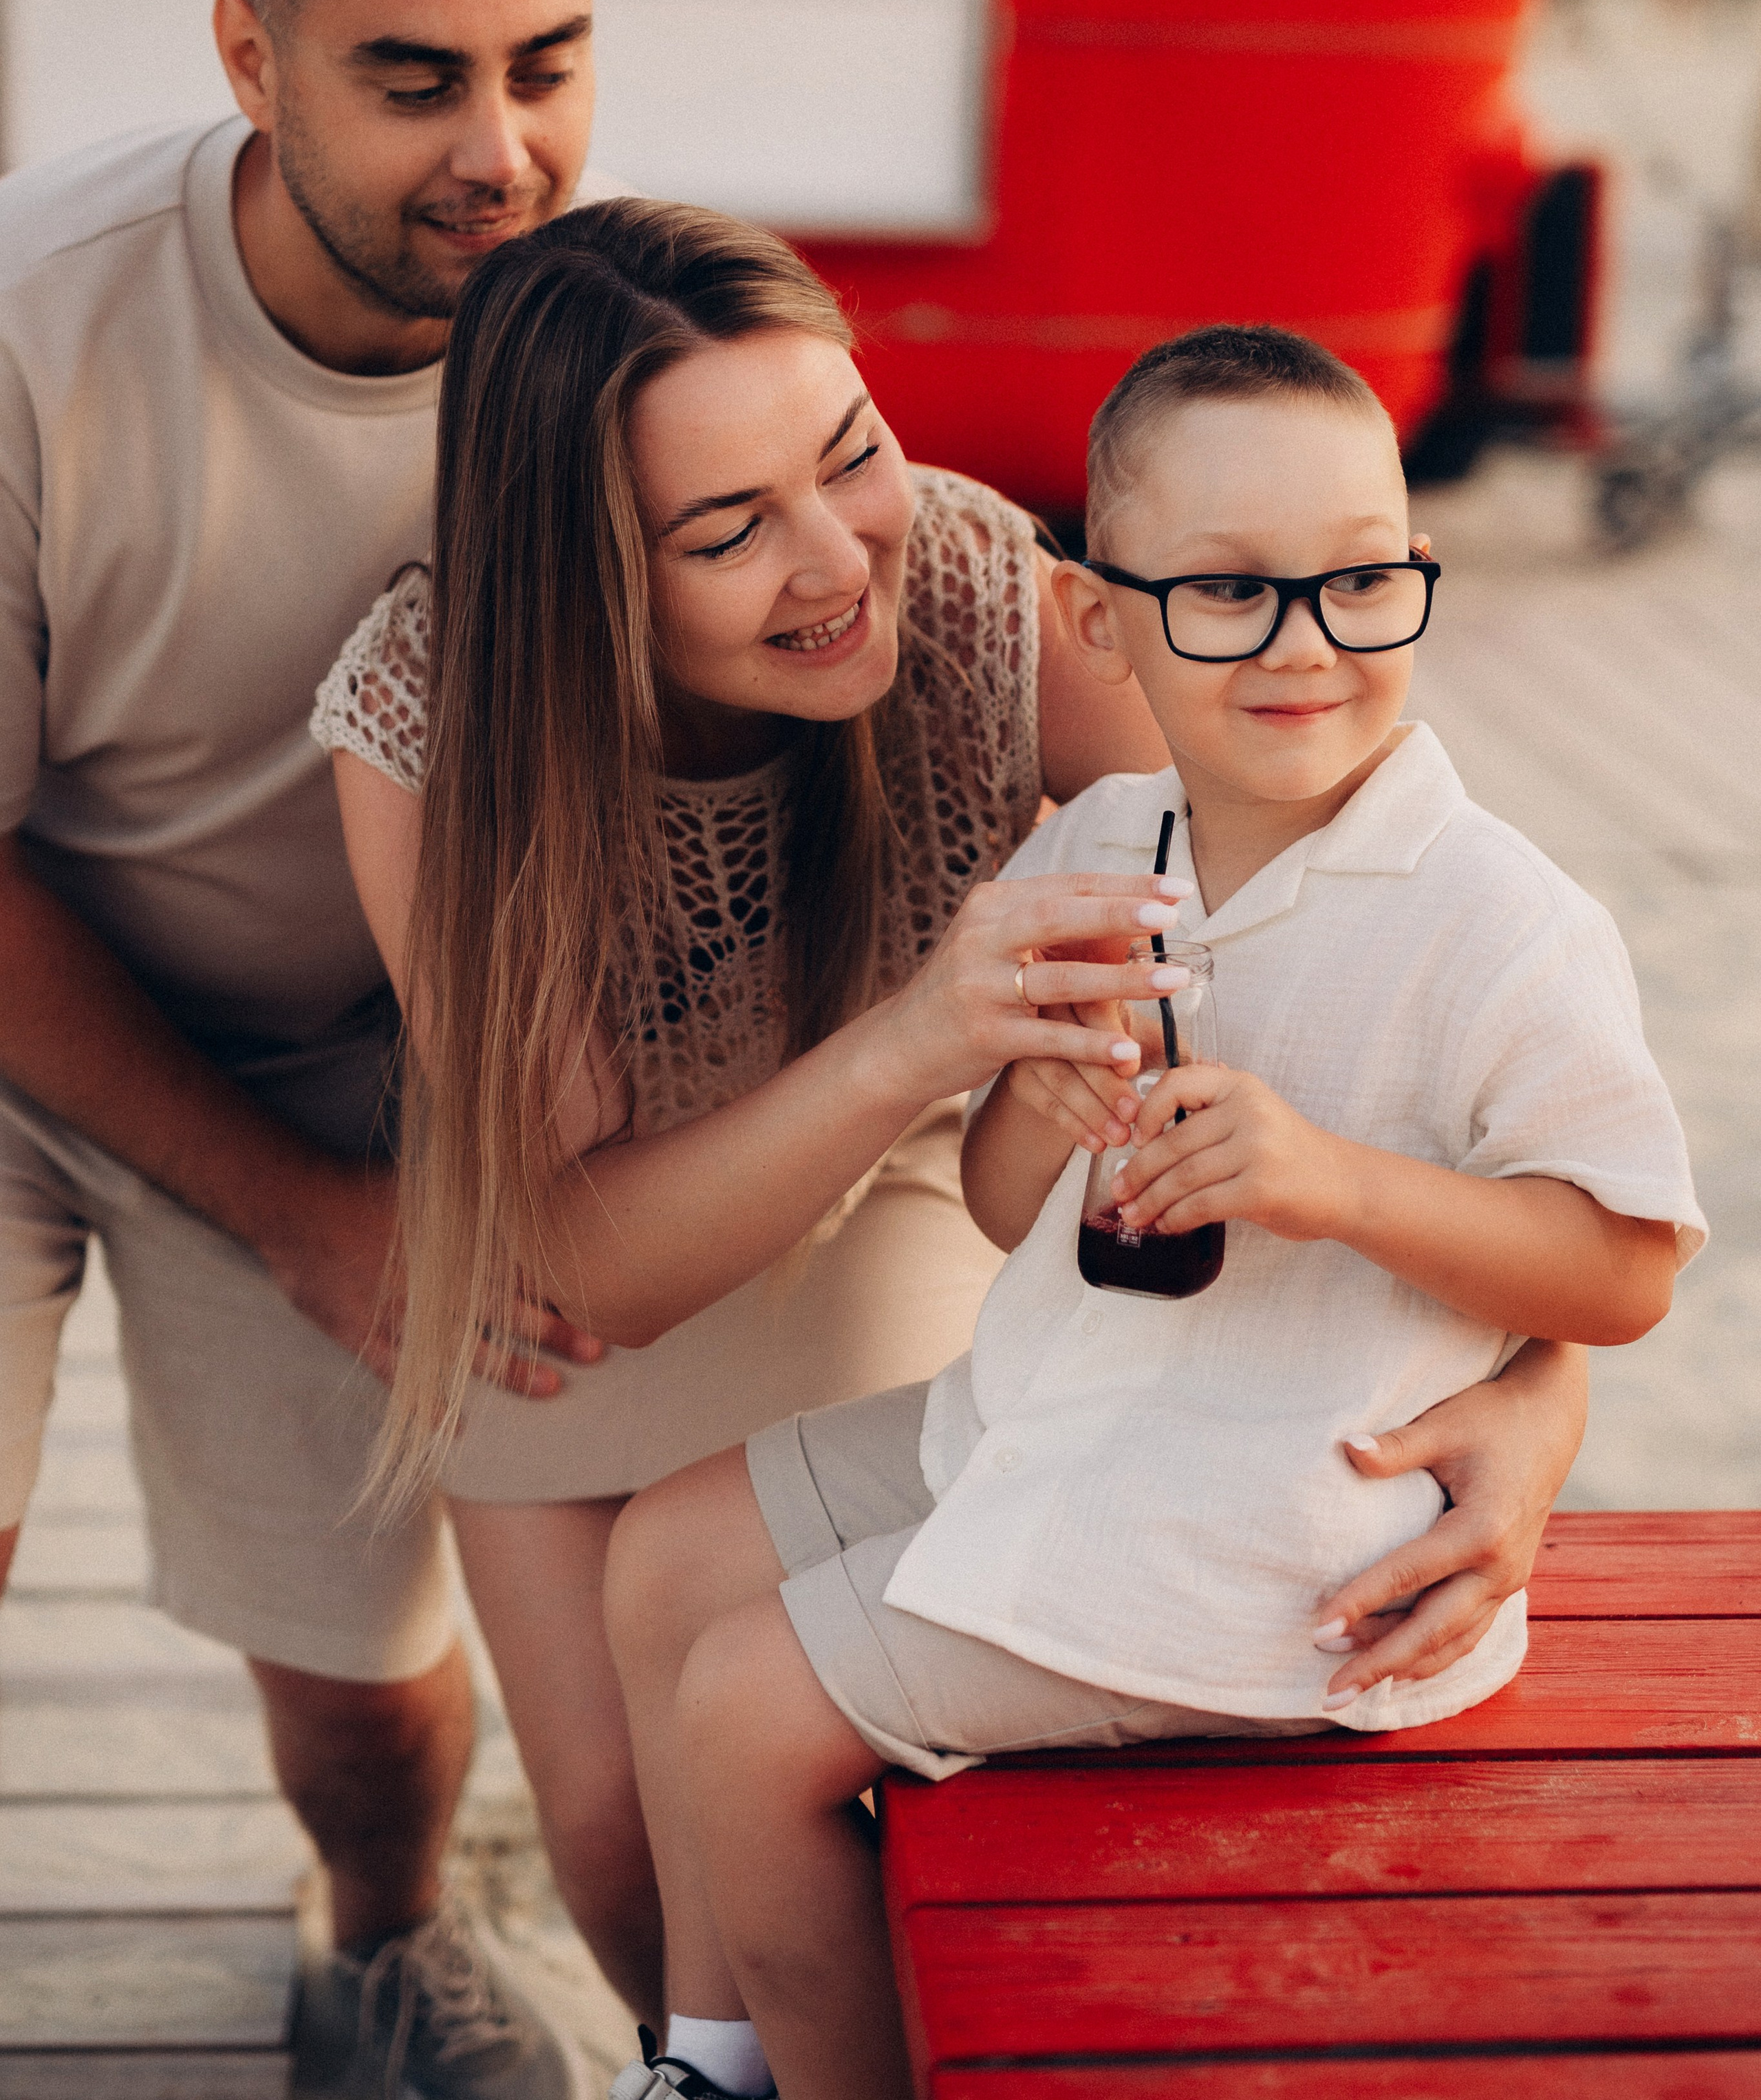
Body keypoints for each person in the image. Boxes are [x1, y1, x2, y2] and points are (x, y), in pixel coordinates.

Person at [325, 227, 1599, 2083]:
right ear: (595, 573)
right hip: (578, 1260)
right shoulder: (436, 703)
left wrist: (1539, 1386)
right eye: (729, 527)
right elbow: (588, 1265)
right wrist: (924, 1027)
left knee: (795, 1727)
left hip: (913, 1173)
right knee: (610, 1845)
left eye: (849, 448)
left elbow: (1386, 923)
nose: (845, 556)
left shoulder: (995, 596)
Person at [601, 325, 1703, 2100]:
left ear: (1421, 576)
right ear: (1100, 625)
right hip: (1068, 1419)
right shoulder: (1104, 839)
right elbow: (993, 1198)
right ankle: (707, 2056)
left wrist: (1336, 1184)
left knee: (751, 1707)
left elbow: (1630, 1266)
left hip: (1277, 1538)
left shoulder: (1497, 915)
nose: (1305, 642)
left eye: (1360, 580)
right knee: (665, 1553)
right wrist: (1035, 1108)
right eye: (1229, 594)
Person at [0, 0, 621, 2098]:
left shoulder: (614, 337)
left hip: (346, 1052)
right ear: (249, 57)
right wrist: (296, 1218)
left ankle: (376, 1941)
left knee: (364, 1697)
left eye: (549, 63)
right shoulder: (34, 318)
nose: (504, 148)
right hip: (25, 993)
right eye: (414, 76)